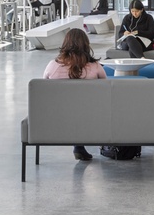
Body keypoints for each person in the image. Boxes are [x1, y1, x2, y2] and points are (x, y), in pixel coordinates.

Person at [42, 28, 106, 160]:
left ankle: (79, 147)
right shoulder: (95, 67)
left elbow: (44, 90)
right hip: (89, 115)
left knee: (72, 107)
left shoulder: (52, 66)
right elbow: (105, 90)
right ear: (86, 45)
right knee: (81, 107)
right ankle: (79, 146)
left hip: (58, 113)